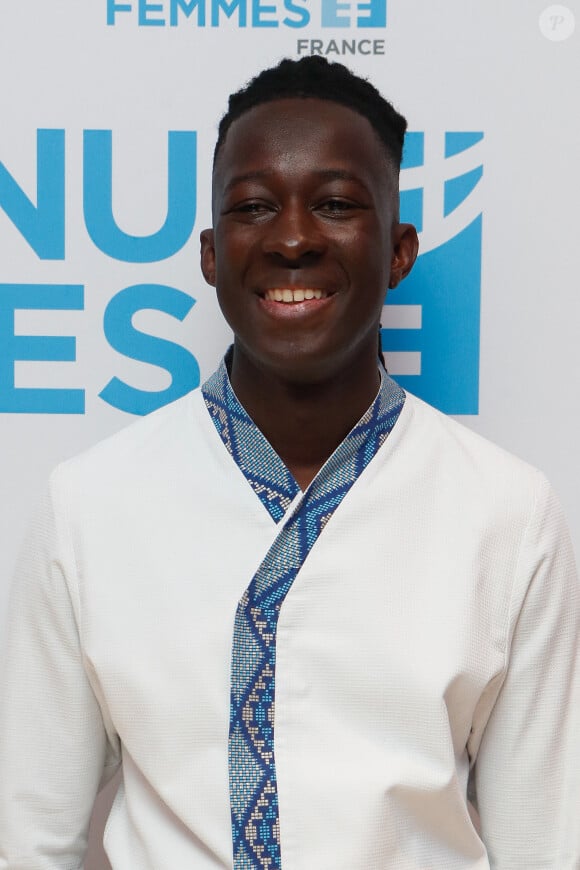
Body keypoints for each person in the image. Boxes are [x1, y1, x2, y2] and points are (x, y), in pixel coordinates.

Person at [0, 56, 578, 870]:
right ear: (210, 252)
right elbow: (27, 838)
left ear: (399, 250)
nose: (295, 238)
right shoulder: (91, 506)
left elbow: (545, 845)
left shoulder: (507, 516)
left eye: (337, 205)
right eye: (254, 207)